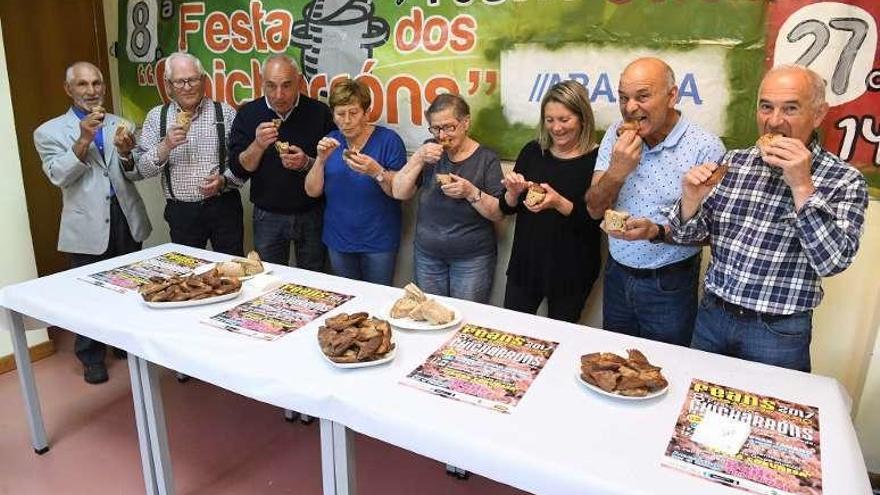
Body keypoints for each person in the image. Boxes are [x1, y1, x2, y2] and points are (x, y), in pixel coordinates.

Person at [668, 64, 868, 372]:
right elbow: (685, 237)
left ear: (817, 114)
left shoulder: (845, 180)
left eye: (790, 108)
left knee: (767, 416)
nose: (774, 121)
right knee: (691, 407)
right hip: (713, 316)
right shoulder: (735, 162)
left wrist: (802, 185)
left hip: (777, 331)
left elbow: (832, 263)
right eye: (766, 107)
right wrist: (691, 200)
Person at [586, 57, 725, 346]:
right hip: (617, 272)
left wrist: (655, 231)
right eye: (623, 98)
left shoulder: (705, 147)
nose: (630, 108)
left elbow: (713, 233)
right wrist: (617, 171)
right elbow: (594, 208)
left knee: (667, 366)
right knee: (614, 358)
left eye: (643, 96)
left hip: (670, 282)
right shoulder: (615, 134)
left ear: (672, 95)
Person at [34, 62, 151, 384]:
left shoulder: (121, 123)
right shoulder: (49, 131)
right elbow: (60, 176)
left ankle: (125, 343)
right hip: (85, 225)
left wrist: (128, 155)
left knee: (130, 288)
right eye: (82, 84)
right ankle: (90, 356)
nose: (91, 90)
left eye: (96, 83)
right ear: (68, 90)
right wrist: (84, 139)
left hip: (126, 217)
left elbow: (136, 172)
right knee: (89, 295)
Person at [492, 80, 601, 323]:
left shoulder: (597, 159)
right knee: (512, 335)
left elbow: (598, 218)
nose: (556, 128)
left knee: (559, 342)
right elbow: (507, 207)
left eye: (564, 120)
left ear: (583, 118)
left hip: (573, 271)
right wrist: (512, 191)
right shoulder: (533, 151)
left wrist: (559, 203)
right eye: (550, 120)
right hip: (526, 265)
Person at [392, 94, 504, 302]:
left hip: (472, 260)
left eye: (449, 127)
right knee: (429, 317)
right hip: (427, 256)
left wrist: (470, 192)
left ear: (465, 122)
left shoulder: (487, 158)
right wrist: (417, 158)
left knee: (467, 320)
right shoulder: (429, 151)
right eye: (436, 128)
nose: (442, 135)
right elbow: (399, 192)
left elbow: (498, 213)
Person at [229, 54, 334, 268]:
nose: (279, 94)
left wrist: (307, 163)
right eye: (271, 86)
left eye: (286, 85)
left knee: (314, 279)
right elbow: (239, 170)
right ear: (262, 83)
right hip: (268, 215)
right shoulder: (248, 114)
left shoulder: (320, 112)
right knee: (268, 278)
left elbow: (334, 167)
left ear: (299, 82)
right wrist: (258, 145)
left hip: (312, 213)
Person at [136, 52, 243, 255]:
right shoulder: (156, 117)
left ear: (203, 80)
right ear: (168, 85)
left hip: (223, 207)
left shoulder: (226, 113)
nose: (187, 87)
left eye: (193, 79)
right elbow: (143, 169)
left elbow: (242, 163)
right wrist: (165, 146)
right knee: (186, 273)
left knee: (232, 266)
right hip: (181, 212)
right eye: (180, 82)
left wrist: (223, 180)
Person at [305, 79, 407, 285]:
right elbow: (312, 191)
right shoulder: (331, 140)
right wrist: (320, 160)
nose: (347, 120)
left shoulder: (389, 140)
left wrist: (376, 171)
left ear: (366, 113)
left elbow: (399, 191)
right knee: (347, 301)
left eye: (353, 113)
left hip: (378, 241)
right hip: (338, 239)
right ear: (333, 116)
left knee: (378, 302)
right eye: (340, 114)